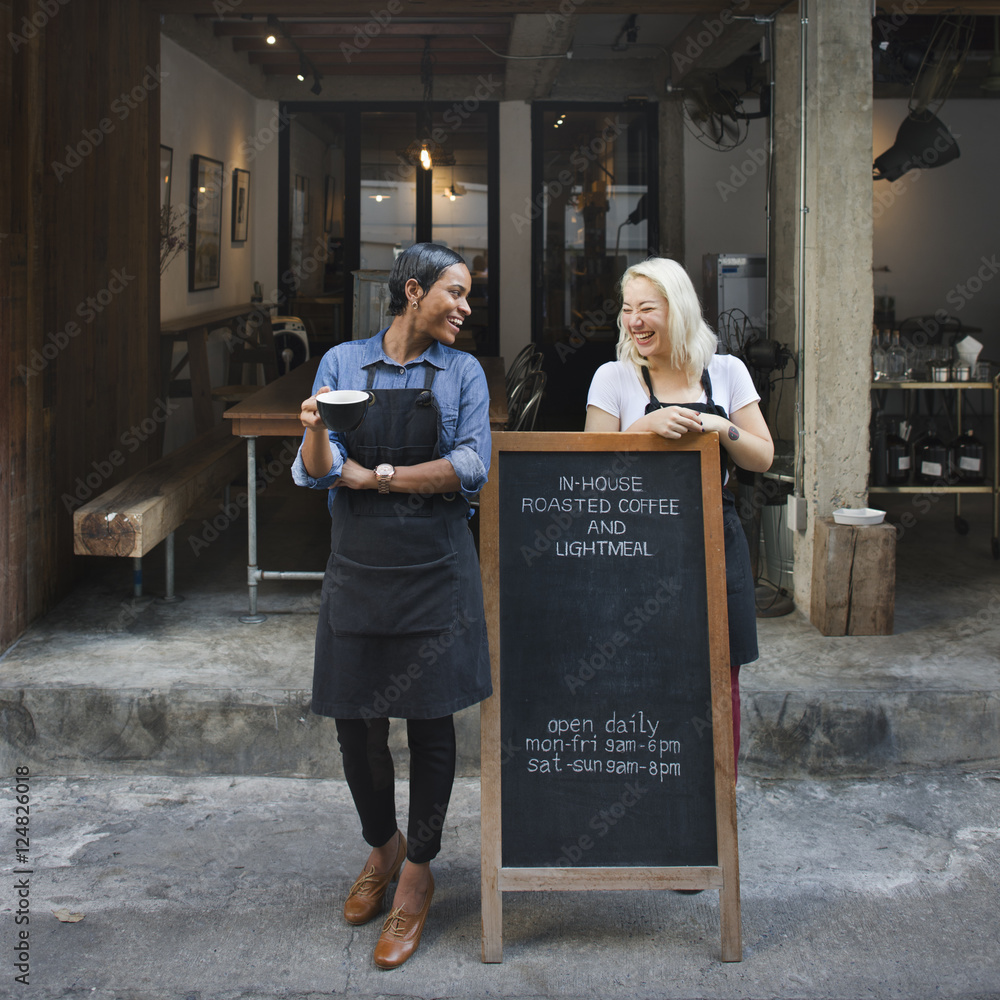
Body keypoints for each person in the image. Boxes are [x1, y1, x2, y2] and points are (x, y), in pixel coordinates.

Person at [293, 243, 492, 969]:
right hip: (359, 569)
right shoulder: (342, 364)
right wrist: (316, 429)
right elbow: (313, 473)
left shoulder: (462, 371)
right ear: (414, 291)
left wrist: (376, 476)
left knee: (431, 726)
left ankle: (416, 879)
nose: (467, 308)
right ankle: (386, 846)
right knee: (356, 726)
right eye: (457, 293)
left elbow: (472, 464)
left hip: (435, 567)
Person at [584, 256, 773, 775]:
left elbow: (762, 455)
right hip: (637, 546)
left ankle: (718, 800)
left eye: (647, 308)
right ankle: (654, 785)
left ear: (679, 309)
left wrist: (717, 427)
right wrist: (645, 428)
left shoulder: (728, 371)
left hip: (715, 536)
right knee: (645, 669)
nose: (634, 321)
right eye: (627, 310)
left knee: (720, 671)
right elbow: (589, 470)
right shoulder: (614, 377)